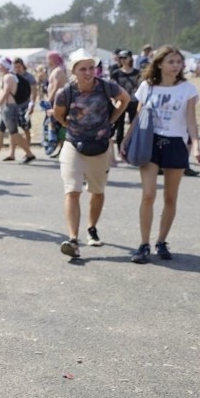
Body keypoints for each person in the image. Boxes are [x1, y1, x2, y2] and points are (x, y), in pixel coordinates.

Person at [122, 46, 200, 264]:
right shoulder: (147, 87)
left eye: (179, 62)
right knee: (148, 194)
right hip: (150, 142)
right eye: (171, 62)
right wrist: (126, 140)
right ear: (159, 64)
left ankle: (161, 241)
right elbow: (137, 117)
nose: (176, 66)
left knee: (170, 196)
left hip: (175, 143)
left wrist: (196, 146)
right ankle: (144, 244)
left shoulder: (187, 89)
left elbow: (191, 121)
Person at [53, 50, 129, 259]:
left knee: (97, 190)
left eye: (91, 67)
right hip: (73, 144)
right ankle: (73, 239)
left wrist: (111, 120)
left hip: (100, 146)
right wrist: (71, 126)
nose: (88, 72)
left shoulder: (106, 86)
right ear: (74, 71)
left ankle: (92, 228)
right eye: (82, 68)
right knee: (73, 190)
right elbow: (58, 114)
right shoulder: (66, 92)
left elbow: (125, 98)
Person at [0, 57, 35, 164]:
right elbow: (4, 93)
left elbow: (6, 93)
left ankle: (29, 154)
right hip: (5, 108)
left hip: (9, 108)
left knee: (14, 133)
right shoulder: (9, 76)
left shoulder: (8, 77)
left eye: (0, 65)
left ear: (4, 66)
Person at [109, 50, 140, 159]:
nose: (122, 60)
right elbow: (112, 87)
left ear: (130, 58)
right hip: (121, 101)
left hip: (134, 101)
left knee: (134, 125)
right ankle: (120, 152)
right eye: (121, 58)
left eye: (125, 58)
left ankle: (132, 148)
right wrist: (114, 100)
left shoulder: (137, 73)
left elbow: (140, 86)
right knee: (119, 127)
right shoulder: (116, 73)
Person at [41, 51, 68, 157]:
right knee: (53, 124)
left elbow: (56, 86)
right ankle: (58, 146)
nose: (47, 61)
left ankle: (60, 147)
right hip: (55, 100)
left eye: (49, 58)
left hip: (57, 101)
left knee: (58, 125)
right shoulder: (54, 70)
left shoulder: (58, 71)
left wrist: (49, 100)